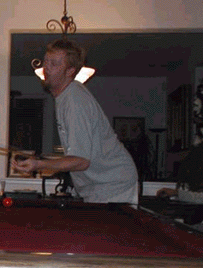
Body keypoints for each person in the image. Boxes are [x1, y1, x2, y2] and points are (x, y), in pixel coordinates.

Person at [12, 39, 139, 204]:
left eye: (54, 63)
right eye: (46, 61)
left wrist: (38, 164)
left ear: (70, 71)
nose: (46, 68)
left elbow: (81, 161)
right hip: (102, 186)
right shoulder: (65, 97)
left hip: (114, 185)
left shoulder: (74, 99)